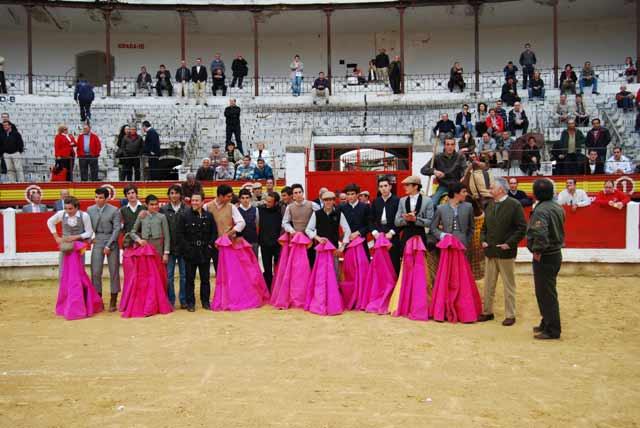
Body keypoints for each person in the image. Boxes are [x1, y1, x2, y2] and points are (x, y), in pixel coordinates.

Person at [478, 177, 527, 326]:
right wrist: (483, 240)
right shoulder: (490, 205)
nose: (490, 190)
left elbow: (521, 228)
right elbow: (484, 227)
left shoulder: (514, 205)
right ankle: (487, 312)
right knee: (488, 284)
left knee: (508, 285)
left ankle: (510, 315)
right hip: (491, 251)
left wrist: (509, 244)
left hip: (506, 252)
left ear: (500, 189)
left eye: (492, 187)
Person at [48, 196, 102, 320]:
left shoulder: (84, 216)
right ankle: (66, 303)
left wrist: (76, 237)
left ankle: (79, 302)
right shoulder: (62, 214)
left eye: (71, 208)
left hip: (78, 248)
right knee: (64, 274)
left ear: (77, 207)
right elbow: (49, 222)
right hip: (66, 248)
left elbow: (89, 232)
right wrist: (56, 237)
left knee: (78, 275)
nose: (68, 211)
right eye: (66, 208)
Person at [528, 178, 565, 340]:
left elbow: (541, 234)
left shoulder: (541, 210)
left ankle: (552, 329)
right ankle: (546, 322)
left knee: (546, 293)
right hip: (555, 254)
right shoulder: (556, 206)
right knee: (545, 291)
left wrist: (537, 250)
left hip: (545, 255)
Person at [177, 192, 216, 312]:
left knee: (205, 279)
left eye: (197, 200)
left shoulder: (209, 216)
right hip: (190, 252)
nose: (194, 202)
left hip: (204, 251)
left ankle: (205, 302)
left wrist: (209, 246)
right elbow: (180, 234)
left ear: (202, 202)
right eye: (193, 200)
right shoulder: (184, 216)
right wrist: (187, 249)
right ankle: (190, 303)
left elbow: (213, 233)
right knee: (190, 279)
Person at [87, 187, 121, 311]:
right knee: (95, 272)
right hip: (98, 240)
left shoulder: (114, 210)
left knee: (114, 271)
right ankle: (98, 300)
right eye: (96, 197)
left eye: (101, 197)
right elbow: (87, 226)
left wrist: (109, 244)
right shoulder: (90, 210)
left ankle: (113, 300)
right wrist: (90, 239)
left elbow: (117, 229)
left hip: (111, 240)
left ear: (106, 198)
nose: (98, 200)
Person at [160, 184, 188, 309]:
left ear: (180, 195)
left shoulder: (187, 209)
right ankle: (170, 300)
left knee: (184, 275)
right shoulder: (163, 210)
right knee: (169, 276)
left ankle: (183, 300)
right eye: (172, 193)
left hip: (183, 248)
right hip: (169, 248)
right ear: (169, 195)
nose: (174, 195)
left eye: (176, 193)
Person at [420, 138, 467, 205]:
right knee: (432, 204)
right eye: (447, 144)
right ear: (444, 146)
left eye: (452, 144)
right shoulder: (437, 157)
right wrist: (434, 171)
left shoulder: (460, 157)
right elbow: (423, 169)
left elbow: (464, 169)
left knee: (466, 205)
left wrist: (463, 176)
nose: (450, 147)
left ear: (454, 146)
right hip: (443, 186)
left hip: (457, 186)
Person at [370, 176, 401, 274]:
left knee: (394, 262)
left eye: (385, 186)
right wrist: (375, 232)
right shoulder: (376, 201)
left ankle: (395, 287)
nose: (383, 188)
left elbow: (401, 220)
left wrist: (392, 232)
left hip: (392, 235)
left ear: (390, 187)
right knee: (379, 264)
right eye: (381, 186)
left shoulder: (398, 200)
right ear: (379, 188)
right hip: (379, 236)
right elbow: (370, 219)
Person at [394, 175, 434, 249]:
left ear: (415, 186)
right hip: (406, 235)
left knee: (420, 260)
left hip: (420, 236)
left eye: (407, 185)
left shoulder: (428, 201)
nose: (404, 187)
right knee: (406, 260)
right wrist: (407, 219)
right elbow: (397, 222)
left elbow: (430, 222)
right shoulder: (402, 200)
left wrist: (415, 219)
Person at [430, 182, 474, 249]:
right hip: (447, 245)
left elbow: (472, 227)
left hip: (463, 244)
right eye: (464, 192)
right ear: (455, 193)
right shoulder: (440, 208)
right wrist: (442, 235)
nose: (466, 194)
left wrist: (467, 241)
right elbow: (433, 228)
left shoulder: (468, 207)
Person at [258, 191, 283, 289]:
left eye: (269, 202)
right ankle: (268, 289)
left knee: (278, 267)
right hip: (265, 244)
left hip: (277, 245)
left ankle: (277, 288)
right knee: (267, 268)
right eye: (266, 201)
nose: (267, 203)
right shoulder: (260, 210)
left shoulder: (280, 212)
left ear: (275, 203)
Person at [339, 183, 371, 257]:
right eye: (348, 194)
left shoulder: (365, 207)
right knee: (349, 265)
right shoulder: (341, 208)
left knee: (363, 265)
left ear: (357, 195)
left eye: (352, 194)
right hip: (348, 241)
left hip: (361, 241)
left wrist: (358, 232)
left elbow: (369, 224)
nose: (350, 196)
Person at [238, 189, 259, 257]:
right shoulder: (236, 210)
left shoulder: (255, 209)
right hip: (240, 241)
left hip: (253, 240)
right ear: (239, 199)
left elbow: (257, 224)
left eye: (247, 197)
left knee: (254, 262)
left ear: (250, 198)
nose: (245, 200)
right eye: (243, 198)